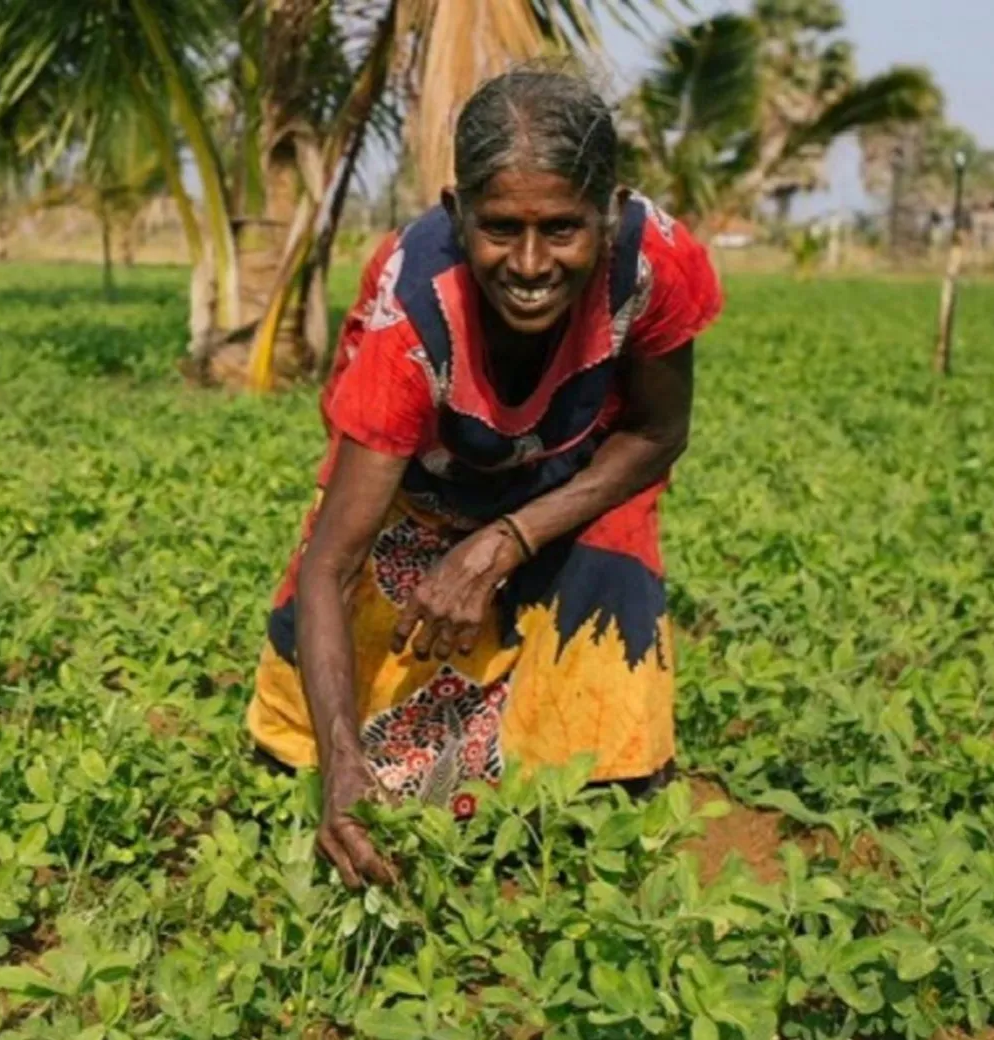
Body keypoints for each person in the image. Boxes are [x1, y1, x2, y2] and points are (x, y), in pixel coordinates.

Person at [246, 68, 725, 889]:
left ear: (611, 212)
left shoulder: (655, 266)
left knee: (602, 769)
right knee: (326, 752)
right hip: (423, 486)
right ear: (457, 211)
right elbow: (333, 561)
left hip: (575, 477)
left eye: (563, 229)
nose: (531, 263)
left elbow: (655, 434)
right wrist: (342, 769)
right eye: (500, 228)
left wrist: (505, 541)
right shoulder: (411, 313)